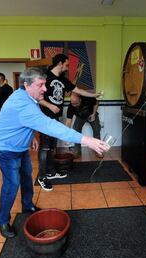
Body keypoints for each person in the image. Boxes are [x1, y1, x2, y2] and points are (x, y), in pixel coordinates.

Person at [0, 67, 109, 238]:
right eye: (41, 85)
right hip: (5, 148)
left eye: (45, 84)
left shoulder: (27, 96)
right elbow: (50, 126)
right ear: (27, 85)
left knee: (27, 175)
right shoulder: (21, 103)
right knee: (12, 183)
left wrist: (30, 137)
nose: (45, 89)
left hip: (20, 145)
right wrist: (86, 140)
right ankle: (2, 220)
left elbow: (22, 121)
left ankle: (27, 205)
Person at [37, 53, 99, 191]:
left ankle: (51, 172)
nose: (67, 66)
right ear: (60, 63)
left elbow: (79, 91)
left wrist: (94, 95)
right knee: (45, 147)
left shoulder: (63, 80)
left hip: (55, 118)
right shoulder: (45, 76)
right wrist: (49, 105)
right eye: (66, 63)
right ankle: (41, 176)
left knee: (52, 146)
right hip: (44, 117)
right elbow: (36, 97)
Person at [65, 92, 102, 158]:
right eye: (73, 103)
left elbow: (96, 102)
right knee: (76, 131)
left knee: (97, 131)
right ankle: (77, 151)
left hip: (91, 114)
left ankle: (98, 151)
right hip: (80, 117)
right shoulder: (71, 106)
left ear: (80, 99)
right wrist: (66, 133)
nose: (75, 105)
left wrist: (93, 114)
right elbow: (68, 122)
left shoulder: (87, 99)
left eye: (76, 103)